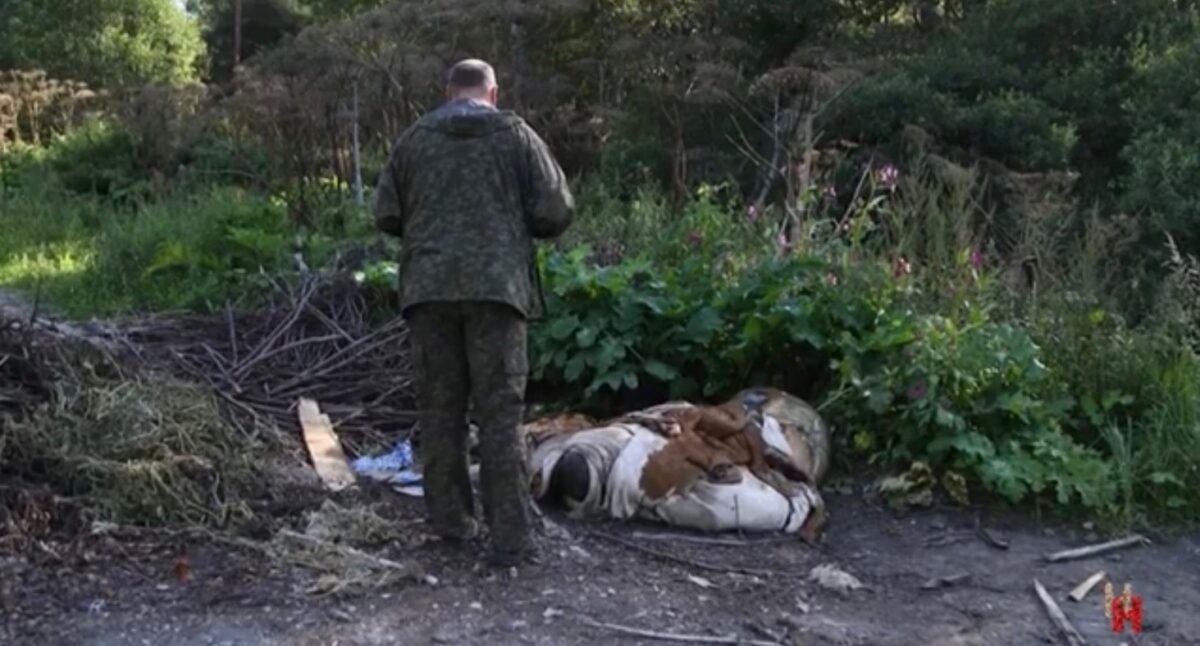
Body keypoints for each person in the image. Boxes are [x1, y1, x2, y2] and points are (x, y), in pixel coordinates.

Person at [372, 59, 575, 566]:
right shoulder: (517, 135)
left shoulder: (414, 139)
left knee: (441, 413)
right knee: (500, 416)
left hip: (429, 293)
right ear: (493, 91)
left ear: (447, 91)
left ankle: (452, 525)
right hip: (497, 292)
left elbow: (386, 213)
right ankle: (510, 539)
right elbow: (556, 210)